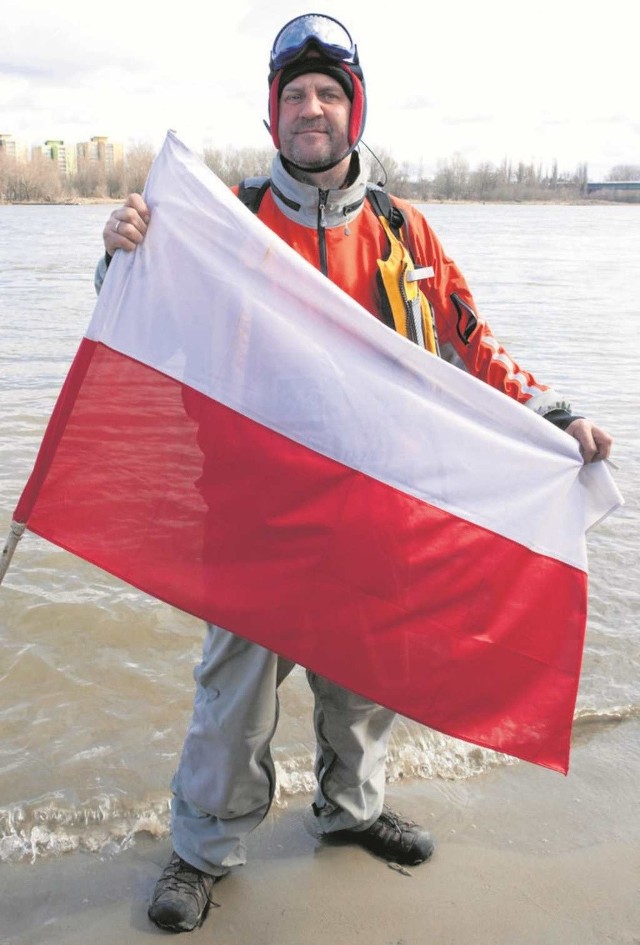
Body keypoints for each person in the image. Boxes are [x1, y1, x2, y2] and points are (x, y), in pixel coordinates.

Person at [96, 13, 613, 933]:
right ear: (272, 116)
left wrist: (559, 416)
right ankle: (203, 846)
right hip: (252, 518)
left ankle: (352, 813)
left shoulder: (405, 231)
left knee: (364, 685)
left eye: (328, 93)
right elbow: (142, 307)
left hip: (372, 515)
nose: (311, 110)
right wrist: (122, 248)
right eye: (293, 95)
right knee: (233, 702)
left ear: (355, 108)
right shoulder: (225, 219)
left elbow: (473, 342)